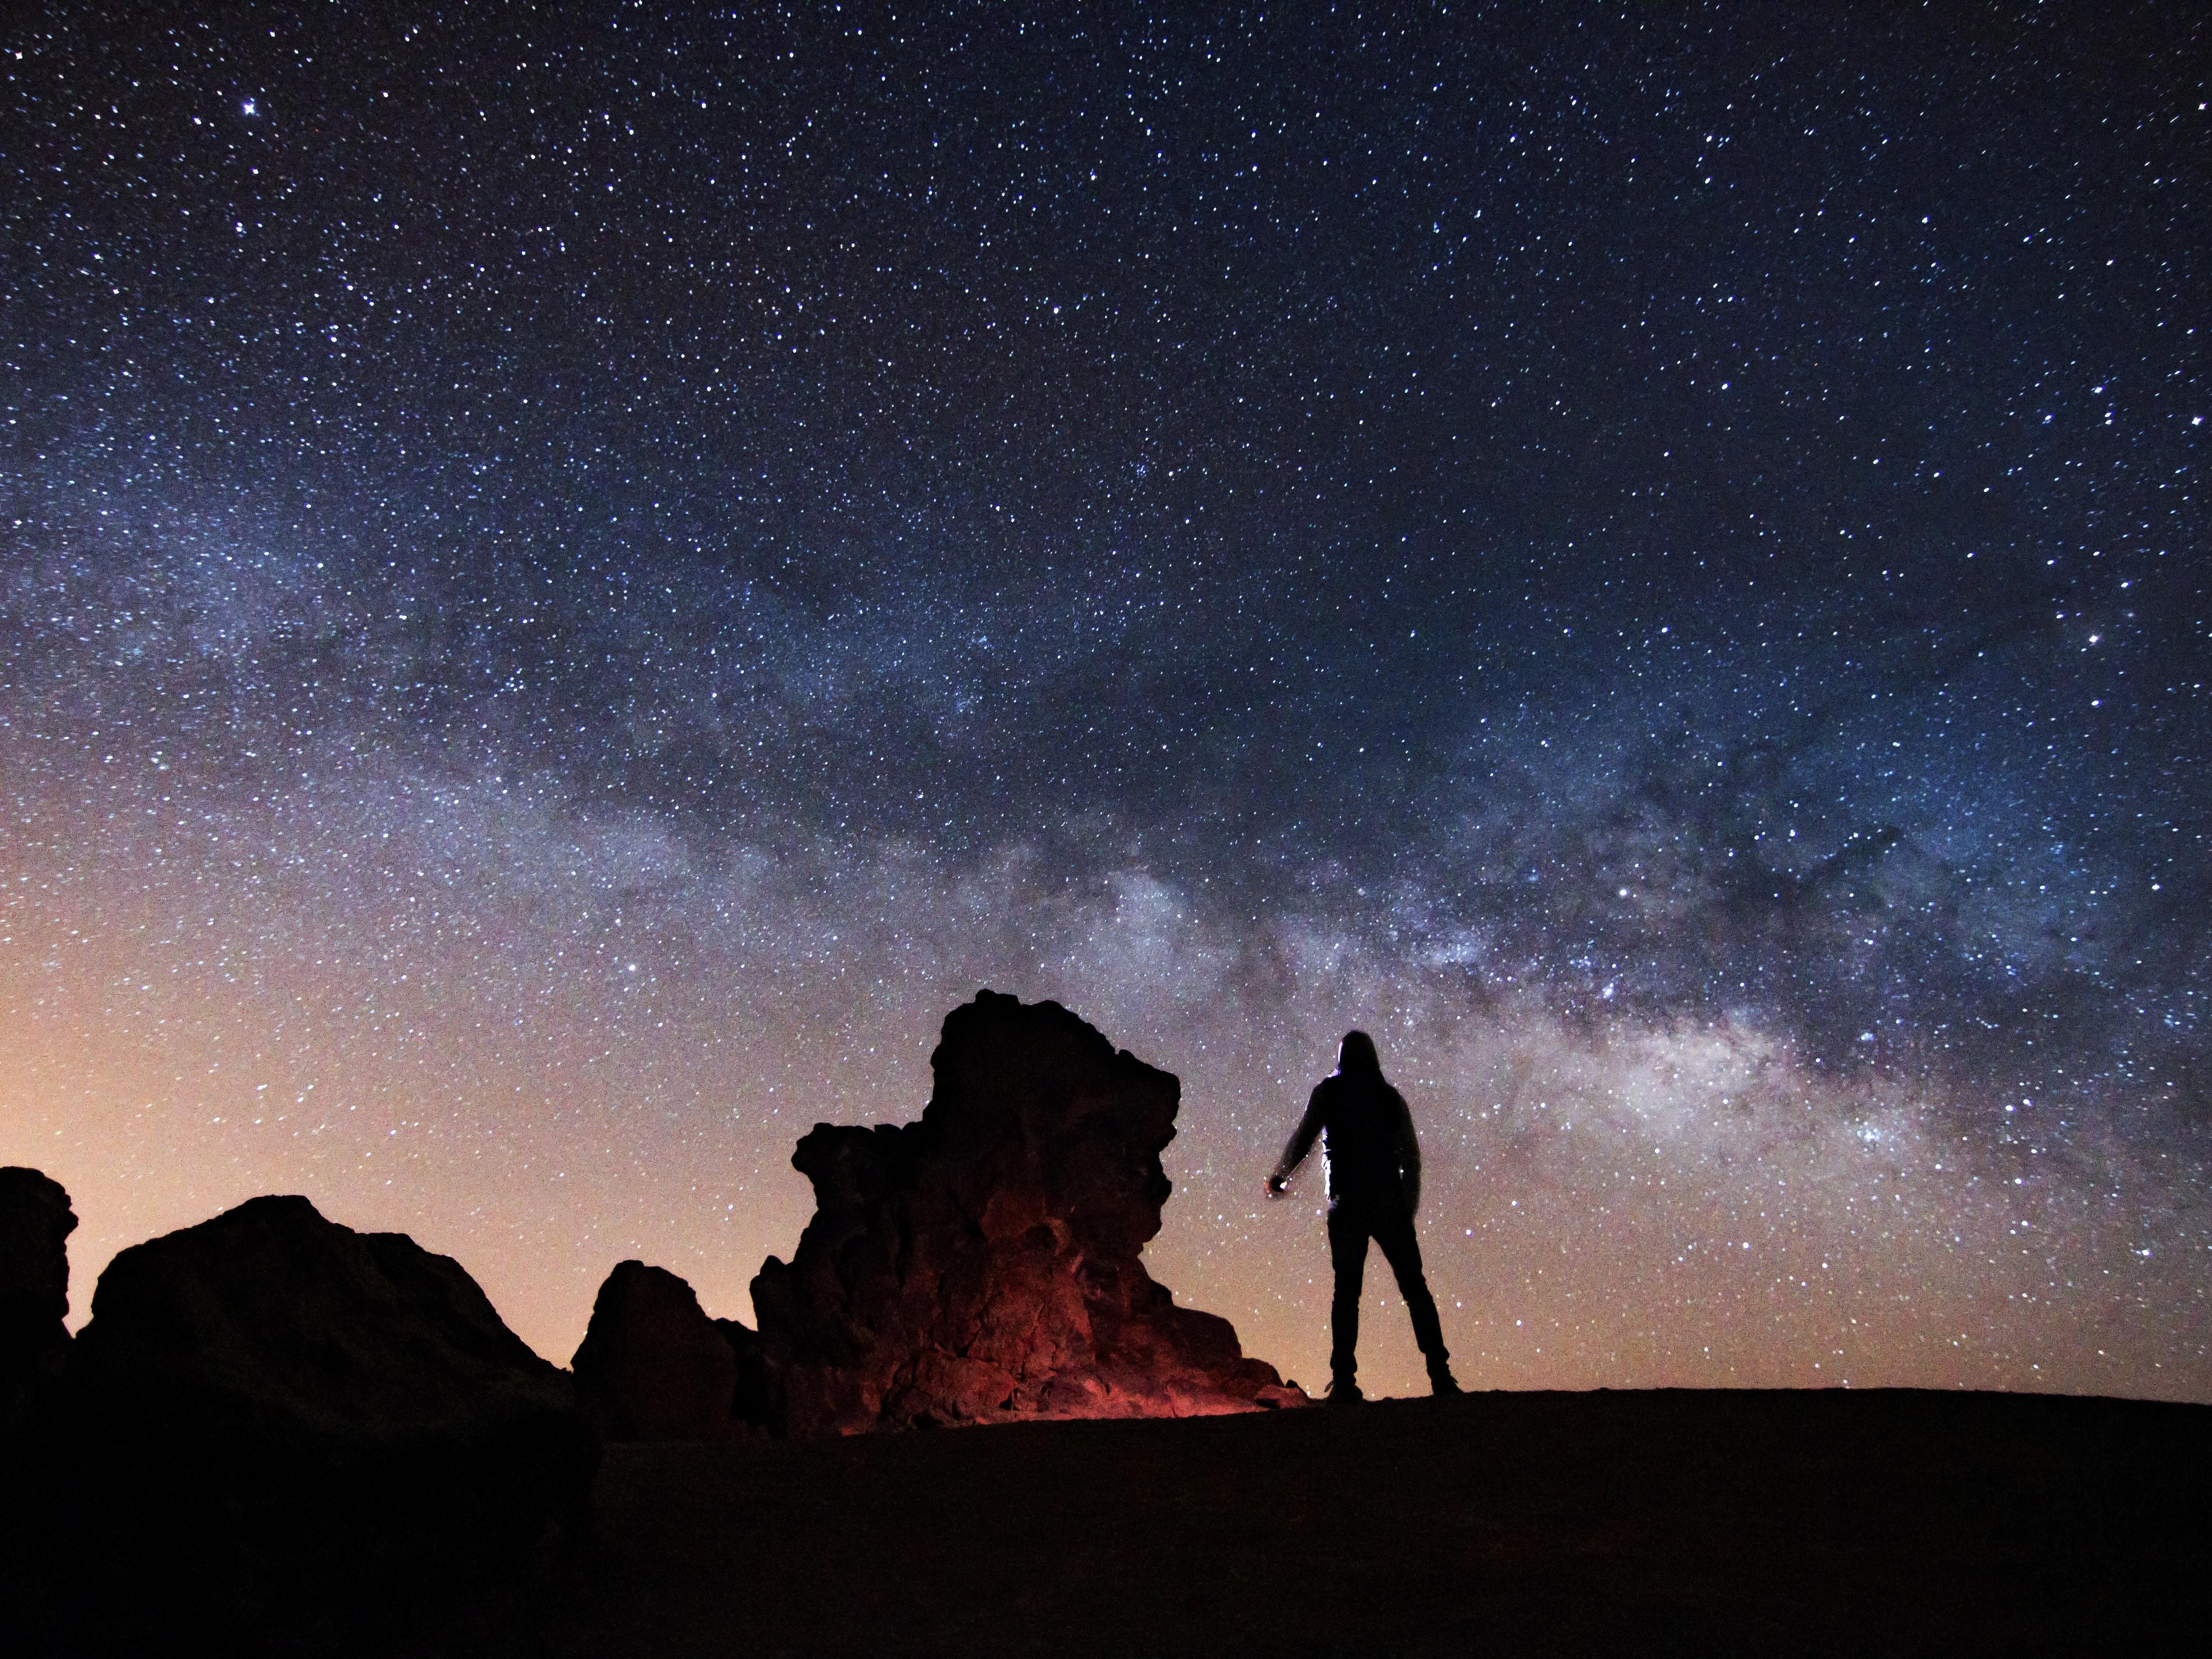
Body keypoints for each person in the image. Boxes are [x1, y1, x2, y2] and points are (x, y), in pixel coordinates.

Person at [1265, 1030, 1458, 1403]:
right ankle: (1441, 1376)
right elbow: (1411, 1159)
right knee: (1415, 1290)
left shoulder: (1329, 1092)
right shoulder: (1389, 1098)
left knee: (1347, 1294)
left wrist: (1280, 1175)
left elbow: (1303, 1138)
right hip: (1388, 1204)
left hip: (1347, 1203)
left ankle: (1344, 1381)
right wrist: (1408, 1209)